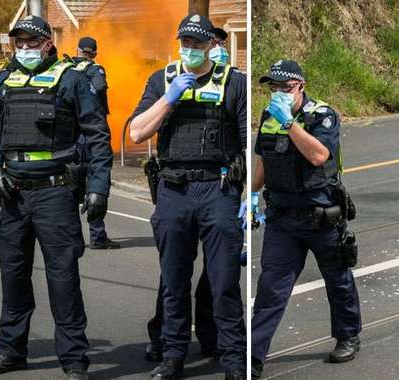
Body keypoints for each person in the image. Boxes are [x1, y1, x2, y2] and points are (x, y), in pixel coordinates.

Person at [0, 16, 113, 380]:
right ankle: (11, 350)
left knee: (63, 279)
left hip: (55, 192)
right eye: (19, 42)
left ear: (47, 43)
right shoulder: (5, 79)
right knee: (13, 276)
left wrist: (99, 187)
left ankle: (74, 360)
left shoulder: (71, 79)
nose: (24, 48)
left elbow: (98, 136)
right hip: (13, 193)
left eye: (31, 42)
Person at [128, 13, 247, 380]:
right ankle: (172, 356)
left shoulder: (234, 83)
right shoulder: (162, 80)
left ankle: (234, 360)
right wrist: (169, 98)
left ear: (212, 44)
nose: (191, 48)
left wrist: (254, 195)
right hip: (174, 189)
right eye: (185, 42)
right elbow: (136, 133)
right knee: (173, 281)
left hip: (218, 189)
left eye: (197, 42)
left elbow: (249, 141)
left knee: (224, 282)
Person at [250, 60, 361, 378]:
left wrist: (289, 123)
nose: (278, 92)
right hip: (282, 220)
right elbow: (264, 159)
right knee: (270, 288)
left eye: (285, 87)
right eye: (273, 87)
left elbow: (318, 155)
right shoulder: (269, 115)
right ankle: (253, 356)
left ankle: (348, 336)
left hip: (321, 217)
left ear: (301, 86)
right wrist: (251, 195)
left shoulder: (322, 115)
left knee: (338, 280)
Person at [70, 36, 120, 249]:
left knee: (72, 187)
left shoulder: (66, 69)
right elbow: (100, 87)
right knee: (95, 185)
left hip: (72, 136)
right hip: (91, 134)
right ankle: (97, 236)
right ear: (95, 53)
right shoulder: (94, 69)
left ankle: (73, 237)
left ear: (77, 50)